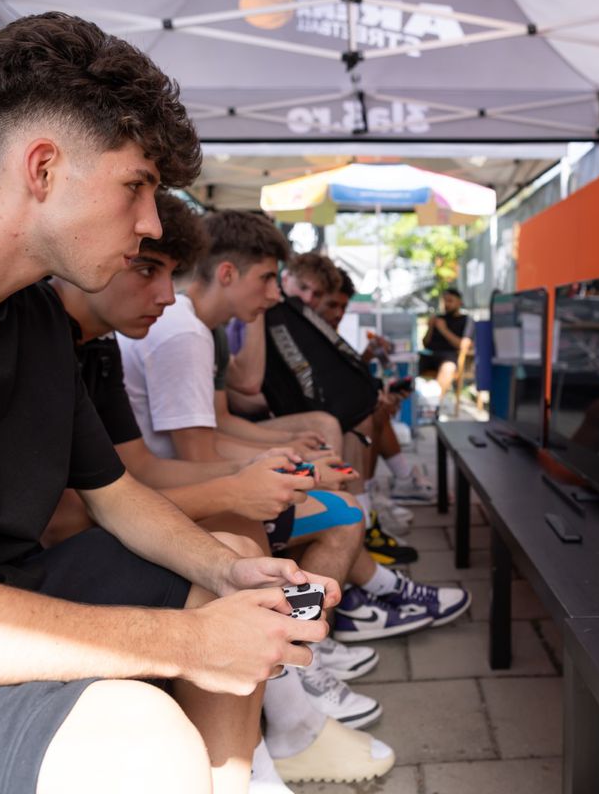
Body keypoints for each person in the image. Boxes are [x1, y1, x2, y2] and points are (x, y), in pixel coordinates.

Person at [0, 12, 340, 794]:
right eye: (136, 186)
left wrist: (227, 577)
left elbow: (117, 492)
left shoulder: (35, 312)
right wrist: (188, 644)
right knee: (143, 744)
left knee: (230, 564)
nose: (145, 225)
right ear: (42, 168)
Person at [47, 191, 396, 787]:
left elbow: (139, 470)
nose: (166, 293)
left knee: (254, 538)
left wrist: (268, 473)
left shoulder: (100, 345)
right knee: (319, 521)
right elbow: (79, 512)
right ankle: (294, 700)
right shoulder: (173, 332)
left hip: (105, 525)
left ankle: (291, 692)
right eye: (147, 267)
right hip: (14, 575)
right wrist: (240, 488)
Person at [117, 211, 471, 642]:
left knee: (324, 473)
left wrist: (286, 456)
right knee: (343, 515)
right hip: (178, 499)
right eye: (267, 280)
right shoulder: (185, 332)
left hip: (176, 487)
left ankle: (354, 602)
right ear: (227, 274)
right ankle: (300, 642)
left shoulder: (194, 328)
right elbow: (199, 455)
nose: (275, 294)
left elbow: (214, 430)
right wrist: (292, 466)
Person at [318, 269, 437, 508]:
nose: (338, 314)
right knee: (368, 416)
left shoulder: (327, 333)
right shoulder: (307, 333)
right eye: (332, 305)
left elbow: (339, 380)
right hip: (318, 417)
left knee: (375, 410)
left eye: (343, 307)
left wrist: (368, 358)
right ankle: (367, 505)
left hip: (330, 408)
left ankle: (375, 495)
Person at [420, 287, 475, 415]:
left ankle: (434, 406)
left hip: (450, 356)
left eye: (450, 301)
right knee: (409, 363)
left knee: (448, 367)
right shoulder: (439, 318)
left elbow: (464, 346)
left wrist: (444, 330)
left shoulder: (466, 320)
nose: (447, 304)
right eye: (445, 301)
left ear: (459, 302)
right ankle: (413, 404)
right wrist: (430, 328)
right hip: (429, 355)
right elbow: (425, 343)